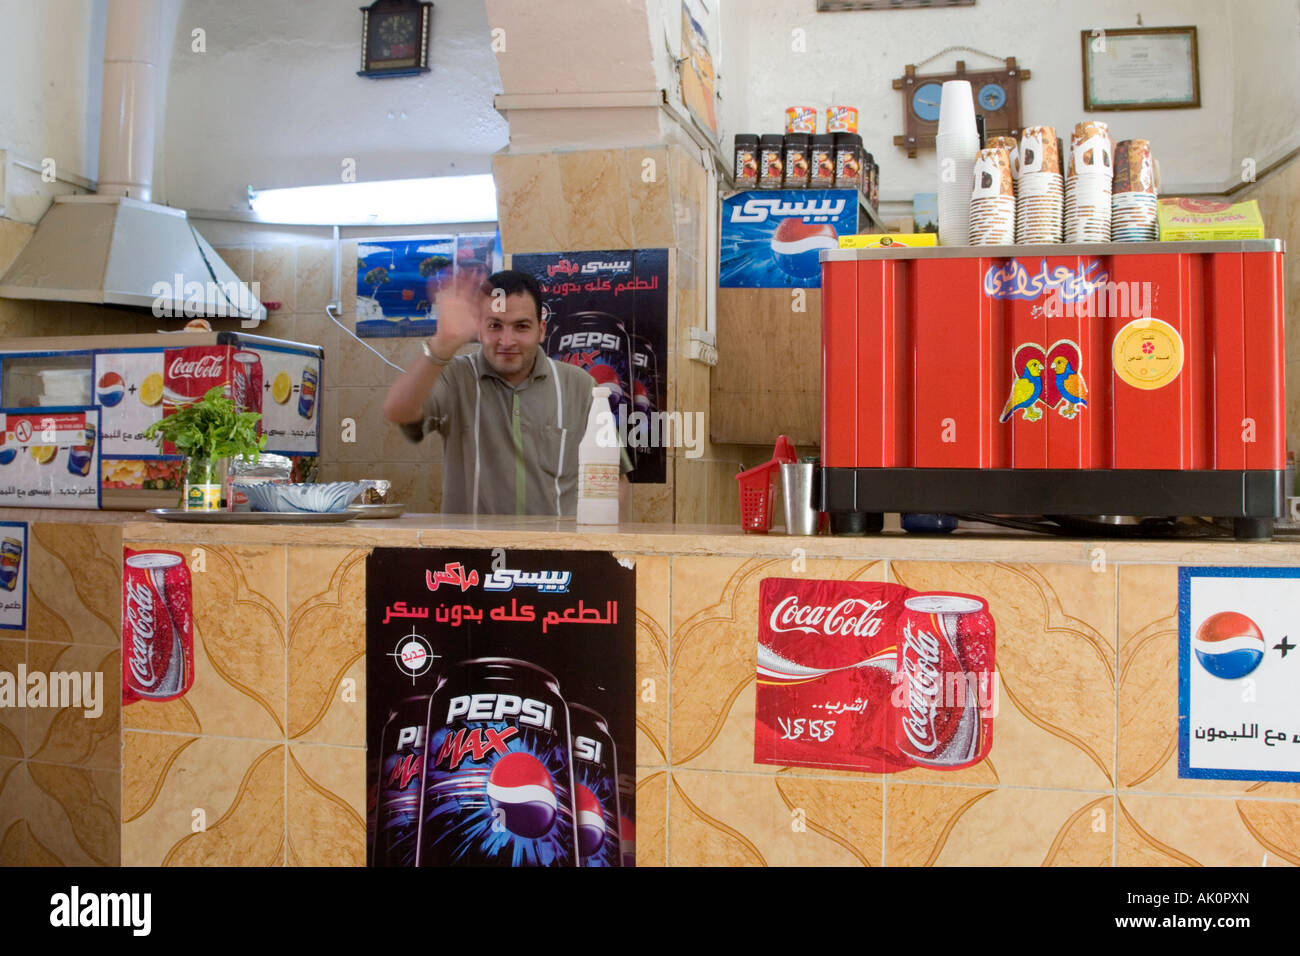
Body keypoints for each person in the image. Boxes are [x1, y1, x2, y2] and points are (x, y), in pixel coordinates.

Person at [383, 269, 631, 516]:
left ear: (541, 330)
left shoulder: (580, 385)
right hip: (470, 550)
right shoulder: (454, 376)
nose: (507, 340)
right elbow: (398, 411)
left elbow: (614, 476)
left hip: (558, 552)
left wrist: (595, 541)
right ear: (480, 330)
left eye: (521, 326)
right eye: (495, 326)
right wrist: (441, 344)